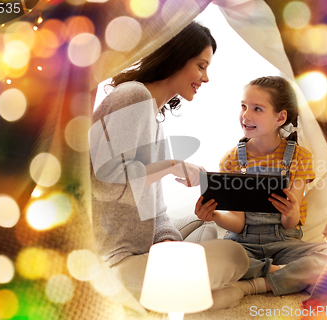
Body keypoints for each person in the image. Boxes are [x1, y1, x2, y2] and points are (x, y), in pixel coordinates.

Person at [89, 21, 248, 310]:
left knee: (204, 220)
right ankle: (234, 289)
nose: (206, 77)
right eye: (201, 66)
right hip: (114, 259)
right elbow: (103, 185)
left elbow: (156, 209)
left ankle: (182, 293)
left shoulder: (154, 115)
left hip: (144, 247)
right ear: (176, 56)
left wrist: (167, 242)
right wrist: (172, 166)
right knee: (234, 255)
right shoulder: (131, 96)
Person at [194, 76, 327, 297]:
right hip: (243, 244)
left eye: (257, 108)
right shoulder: (231, 160)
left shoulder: (300, 157)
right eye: (243, 106)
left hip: (285, 242)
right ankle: (275, 273)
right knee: (206, 258)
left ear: (281, 117)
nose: (246, 115)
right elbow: (237, 224)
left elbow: (290, 223)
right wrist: (214, 216)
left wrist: (292, 211)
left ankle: (255, 284)